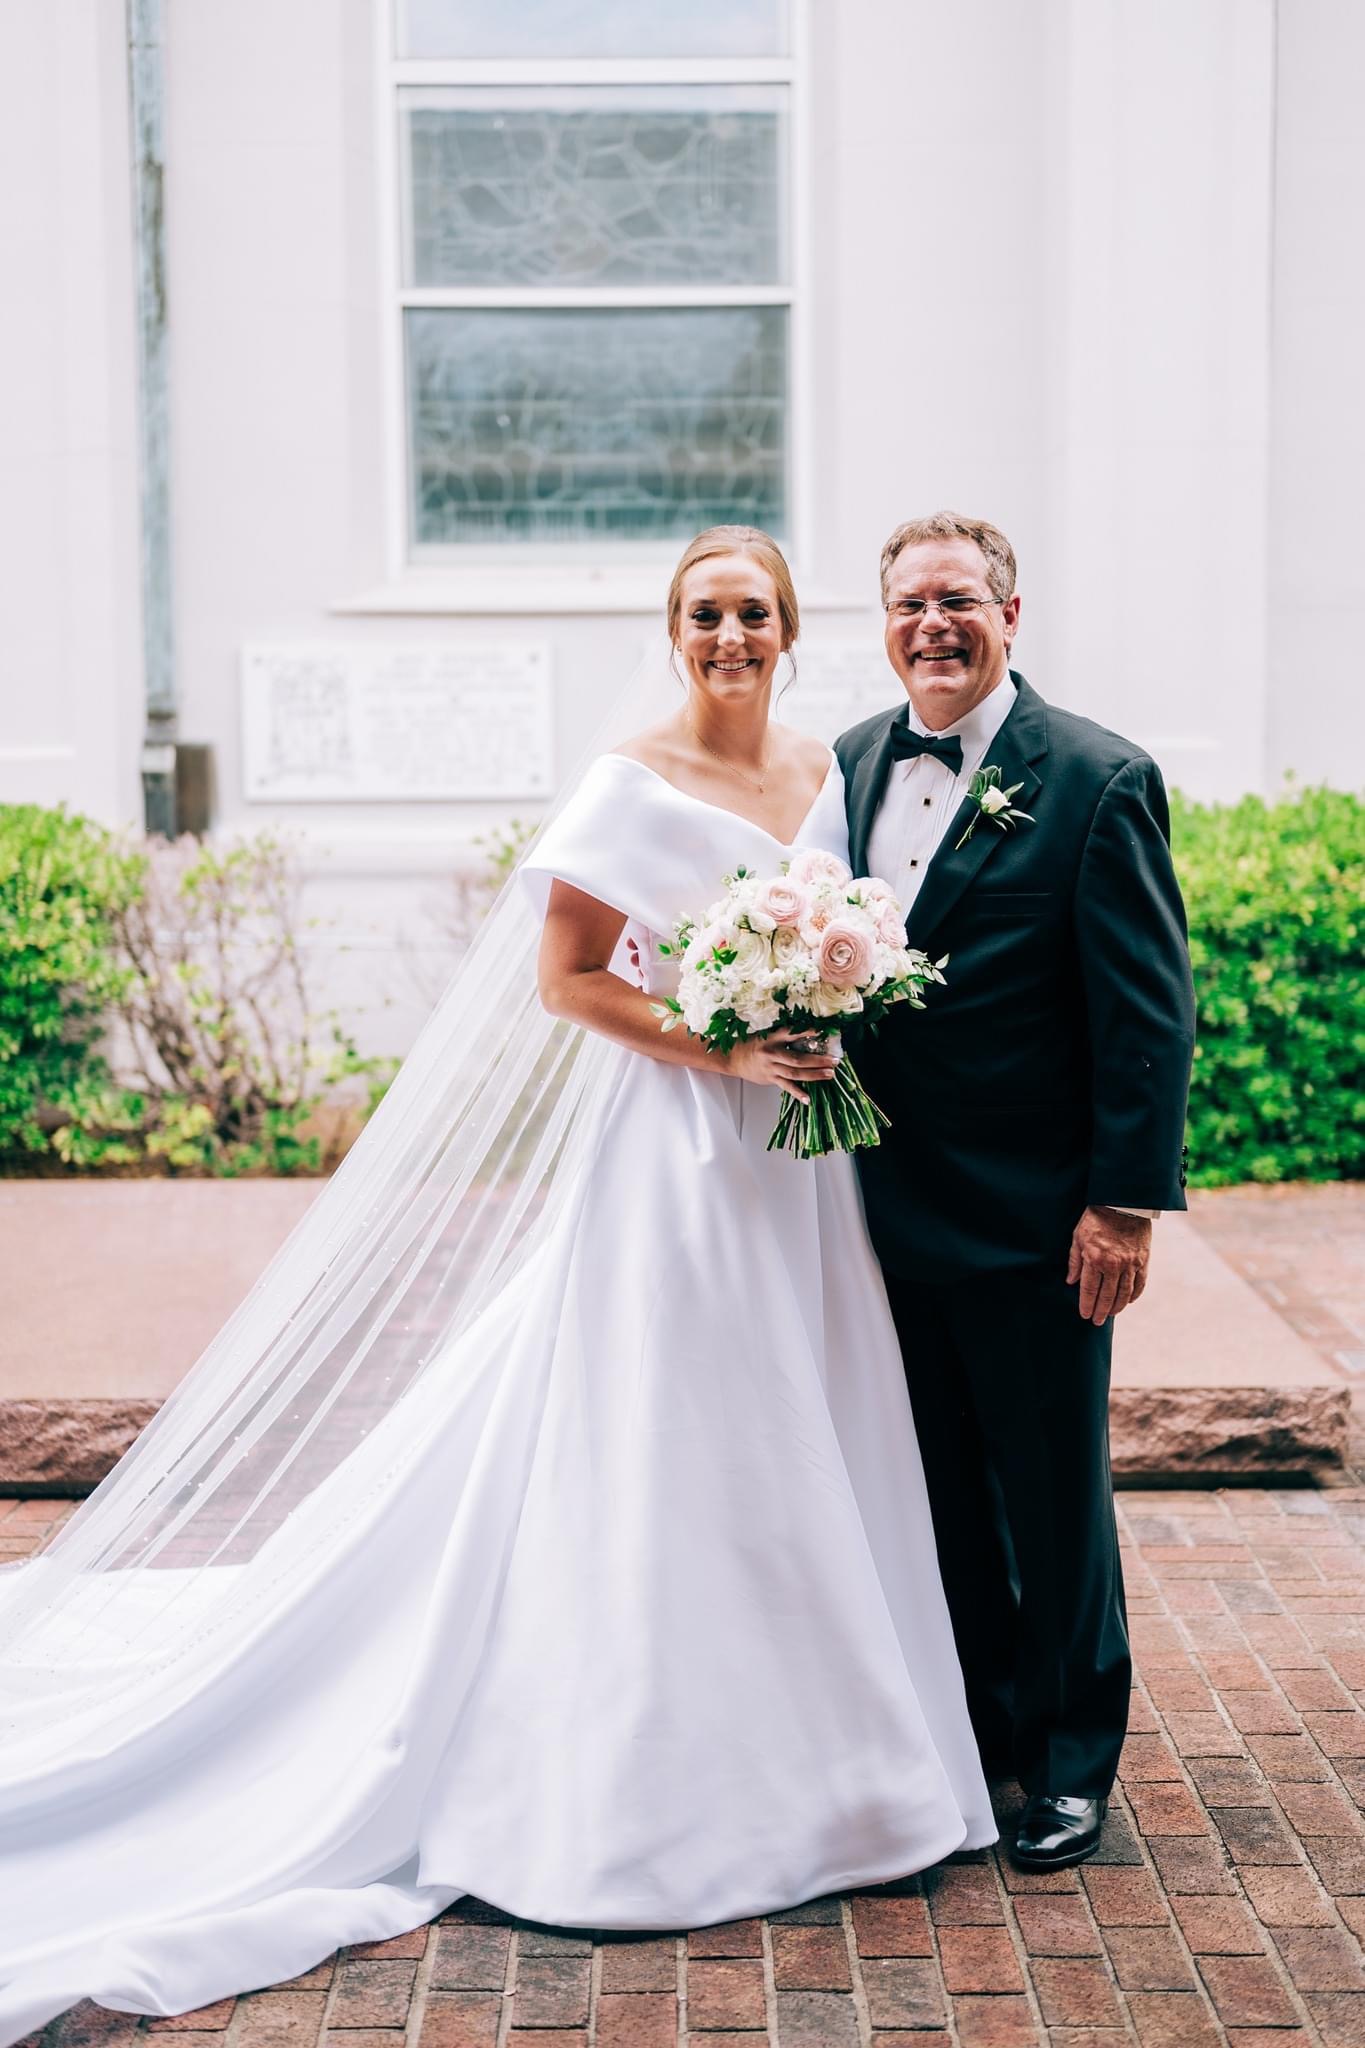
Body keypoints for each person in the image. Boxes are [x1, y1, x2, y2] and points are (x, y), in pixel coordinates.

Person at [0, 527, 993, 2047]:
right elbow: (569, 980)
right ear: (675, 631)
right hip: (677, 1158)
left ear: (792, 631)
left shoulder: (828, 771)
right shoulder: (628, 782)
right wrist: (722, 1044)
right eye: (705, 614)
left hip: (801, 1165)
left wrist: (821, 1008)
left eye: (753, 612)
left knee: (811, 1417)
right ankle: (657, 1773)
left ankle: (843, 1756)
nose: (730, 635)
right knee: (679, 1427)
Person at [836, 511, 1196, 1870]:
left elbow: (1146, 1010)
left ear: (1009, 614)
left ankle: (1068, 1762)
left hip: (1039, 1221)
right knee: (937, 1490)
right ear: (884, 624)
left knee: (1051, 1500)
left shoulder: (1098, 779)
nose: (932, 625)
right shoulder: (848, 764)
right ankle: (981, 1737)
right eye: (908, 604)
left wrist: (1122, 1204)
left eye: (957, 601)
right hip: (875, 1213)